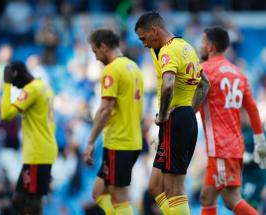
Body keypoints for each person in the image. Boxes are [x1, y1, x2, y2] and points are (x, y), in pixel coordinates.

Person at [135, 11, 210, 214]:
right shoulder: (186, 47)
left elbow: (167, 85)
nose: (143, 44)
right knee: (155, 186)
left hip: (174, 119)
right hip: (183, 118)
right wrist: (189, 112)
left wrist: (164, 114)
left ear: (154, 30)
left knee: (174, 189)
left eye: (144, 38)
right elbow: (205, 84)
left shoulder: (169, 51)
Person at [199, 26, 266, 215]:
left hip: (221, 148)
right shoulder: (238, 72)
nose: (200, 46)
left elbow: (193, 106)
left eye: (202, 42)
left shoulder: (205, 70)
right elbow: (252, 108)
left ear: (210, 46)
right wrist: (260, 139)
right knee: (207, 196)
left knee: (231, 200)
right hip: (234, 145)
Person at [83, 29, 144, 215]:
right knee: (99, 192)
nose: (95, 57)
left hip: (120, 141)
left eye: (95, 52)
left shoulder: (111, 70)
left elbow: (105, 109)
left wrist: (91, 141)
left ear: (103, 46)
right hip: (131, 140)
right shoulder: (133, 67)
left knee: (119, 197)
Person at [1, 61, 58, 215]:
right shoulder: (44, 86)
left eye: (14, 82)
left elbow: (6, 114)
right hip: (45, 149)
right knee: (21, 200)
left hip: (37, 153)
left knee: (32, 204)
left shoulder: (32, 90)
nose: (15, 87)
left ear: (18, 75)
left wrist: (5, 85)